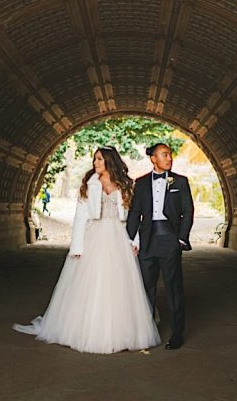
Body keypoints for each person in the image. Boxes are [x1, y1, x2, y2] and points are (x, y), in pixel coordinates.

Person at [13, 147, 160, 353]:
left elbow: (134, 216)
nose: (95, 163)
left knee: (120, 283)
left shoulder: (125, 185)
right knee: (93, 282)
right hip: (95, 236)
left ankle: (122, 333)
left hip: (119, 237)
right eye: (95, 159)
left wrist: (134, 241)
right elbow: (80, 218)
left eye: (99, 159)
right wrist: (78, 247)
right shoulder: (89, 185)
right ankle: (87, 331)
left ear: (110, 162)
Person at [126, 142, 194, 350]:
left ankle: (177, 333)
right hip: (147, 241)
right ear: (153, 159)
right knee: (146, 288)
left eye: (170, 155)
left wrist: (181, 239)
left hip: (169, 240)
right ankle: (146, 332)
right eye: (164, 155)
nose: (169, 158)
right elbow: (135, 213)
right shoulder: (141, 183)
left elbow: (188, 212)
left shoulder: (180, 182)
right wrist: (131, 240)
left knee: (174, 287)